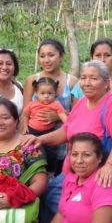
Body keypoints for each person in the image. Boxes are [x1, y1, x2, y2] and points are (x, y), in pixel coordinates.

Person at [21, 60, 112, 223]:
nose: (87, 83)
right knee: (51, 200)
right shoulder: (82, 103)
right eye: (83, 77)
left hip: (93, 175)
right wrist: (41, 139)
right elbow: (67, 131)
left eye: (93, 78)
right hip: (72, 173)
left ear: (106, 82)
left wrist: (110, 166)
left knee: (71, 210)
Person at [23, 39, 79, 172]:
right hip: (36, 136)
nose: (46, 60)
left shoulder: (72, 81)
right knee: (38, 171)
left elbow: (79, 115)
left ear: (61, 56)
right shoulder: (32, 80)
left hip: (63, 139)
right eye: (42, 56)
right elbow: (25, 111)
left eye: (51, 55)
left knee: (60, 174)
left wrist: (58, 116)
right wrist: (24, 133)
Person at [22, 77, 68, 174]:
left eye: (49, 93)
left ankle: (50, 172)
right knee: (33, 153)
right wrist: (25, 126)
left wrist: (70, 126)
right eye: (42, 93)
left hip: (49, 132)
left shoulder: (56, 104)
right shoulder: (32, 104)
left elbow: (63, 116)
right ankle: (33, 172)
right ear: (36, 93)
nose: (46, 96)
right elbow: (25, 115)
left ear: (55, 93)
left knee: (51, 153)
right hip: (32, 131)